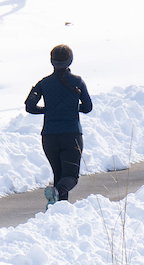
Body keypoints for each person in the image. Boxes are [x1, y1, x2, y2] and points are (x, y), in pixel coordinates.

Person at [23, 43, 94, 207]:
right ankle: (57, 195)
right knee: (70, 176)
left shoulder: (44, 83)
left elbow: (30, 106)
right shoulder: (77, 81)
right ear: (70, 61)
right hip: (71, 135)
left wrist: (48, 110)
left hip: (49, 137)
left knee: (59, 173)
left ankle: (58, 209)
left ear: (52, 61)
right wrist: (72, 108)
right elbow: (88, 108)